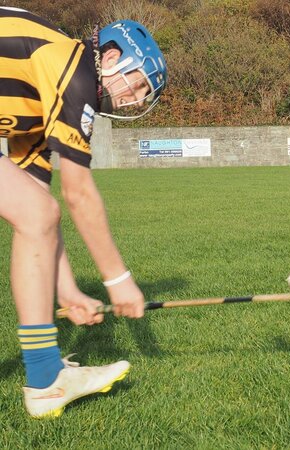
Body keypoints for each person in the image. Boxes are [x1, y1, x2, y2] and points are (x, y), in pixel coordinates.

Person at [0, 6, 167, 418]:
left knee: (37, 212)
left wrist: (67, 289)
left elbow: (38, 209)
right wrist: (119, 280)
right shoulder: (73, 69)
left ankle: (45, 380)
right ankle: (44, 379)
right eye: (138, 83)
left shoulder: (44, 98)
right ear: (111, 58)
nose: (137, 98)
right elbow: (79, 194)